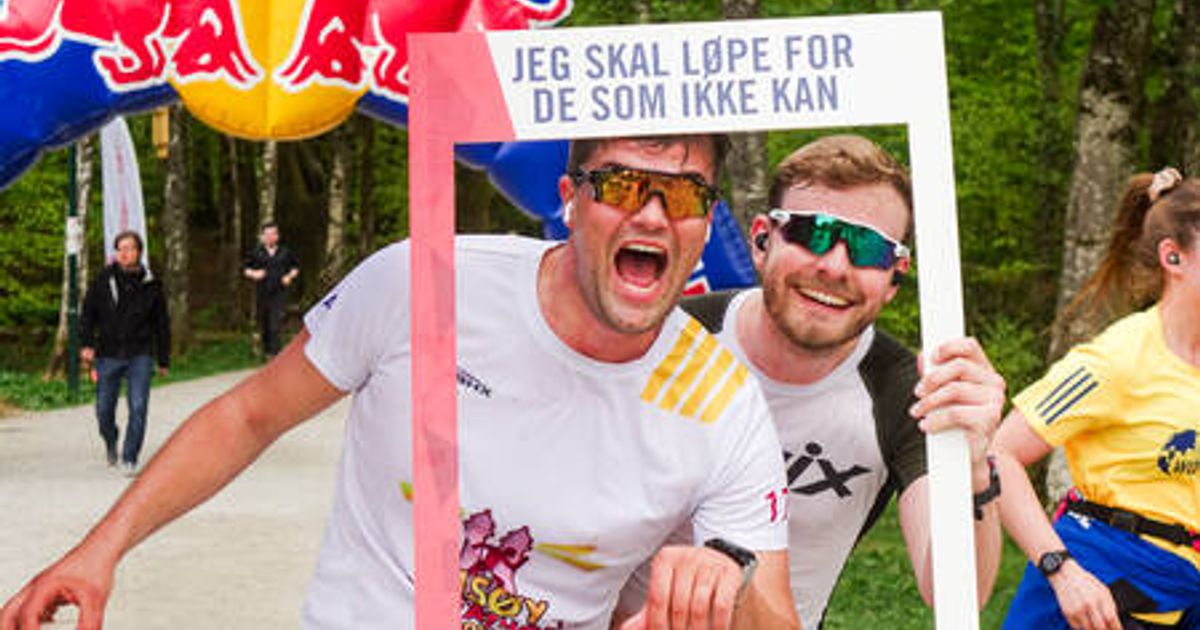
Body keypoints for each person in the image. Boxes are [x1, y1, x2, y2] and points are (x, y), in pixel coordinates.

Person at [2, 135, 802, 630]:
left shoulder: (722, 402)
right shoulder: (425, 283)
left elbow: (775, 617)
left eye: (684, 194)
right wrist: (99, 551)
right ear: (570, 201)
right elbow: (248, 415)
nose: (654, 215)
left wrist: (729, 583)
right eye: (623, 185)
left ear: (706, 223)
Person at [616, 134, 1006, 629]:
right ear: (762, 239)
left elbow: (957, 591)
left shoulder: (909, 391)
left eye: (868, 249)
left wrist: (973, 469)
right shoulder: (666, 334)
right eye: (812, 233)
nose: (834, 267)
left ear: (895, 277)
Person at [994, 167, 1200, 630]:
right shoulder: (1115, 359)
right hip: (1095, 595)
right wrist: (1061, 571)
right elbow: (999, 454)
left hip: (1182, 592)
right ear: (1173, 257)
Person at [78, 230, 170, 477]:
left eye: (130, 248)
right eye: (120, 249)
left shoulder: (152, 284)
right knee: (103, 411)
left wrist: (163, 358)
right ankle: (111, 439)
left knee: (138, 407)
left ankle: (130, 457)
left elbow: (162, 323)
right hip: (108, 353)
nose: (125, 253)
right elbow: (87, 314)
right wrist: (86, 344)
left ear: (139, 252)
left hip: (140, 353)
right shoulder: (103, 280)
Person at [243, 222, 300, 358]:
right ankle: (267, 350)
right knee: (265, 323)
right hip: (262, 292)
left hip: (280, 292)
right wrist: (254, 274)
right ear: (262, 237)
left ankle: (275, 355)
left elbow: (295, 267)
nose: (270, 237)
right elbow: (245, 269)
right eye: (267, 234)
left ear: (277, 236)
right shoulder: (256, 252)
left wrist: (289, 276)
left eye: (273, 234)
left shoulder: (285, 252)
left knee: (275, 323)